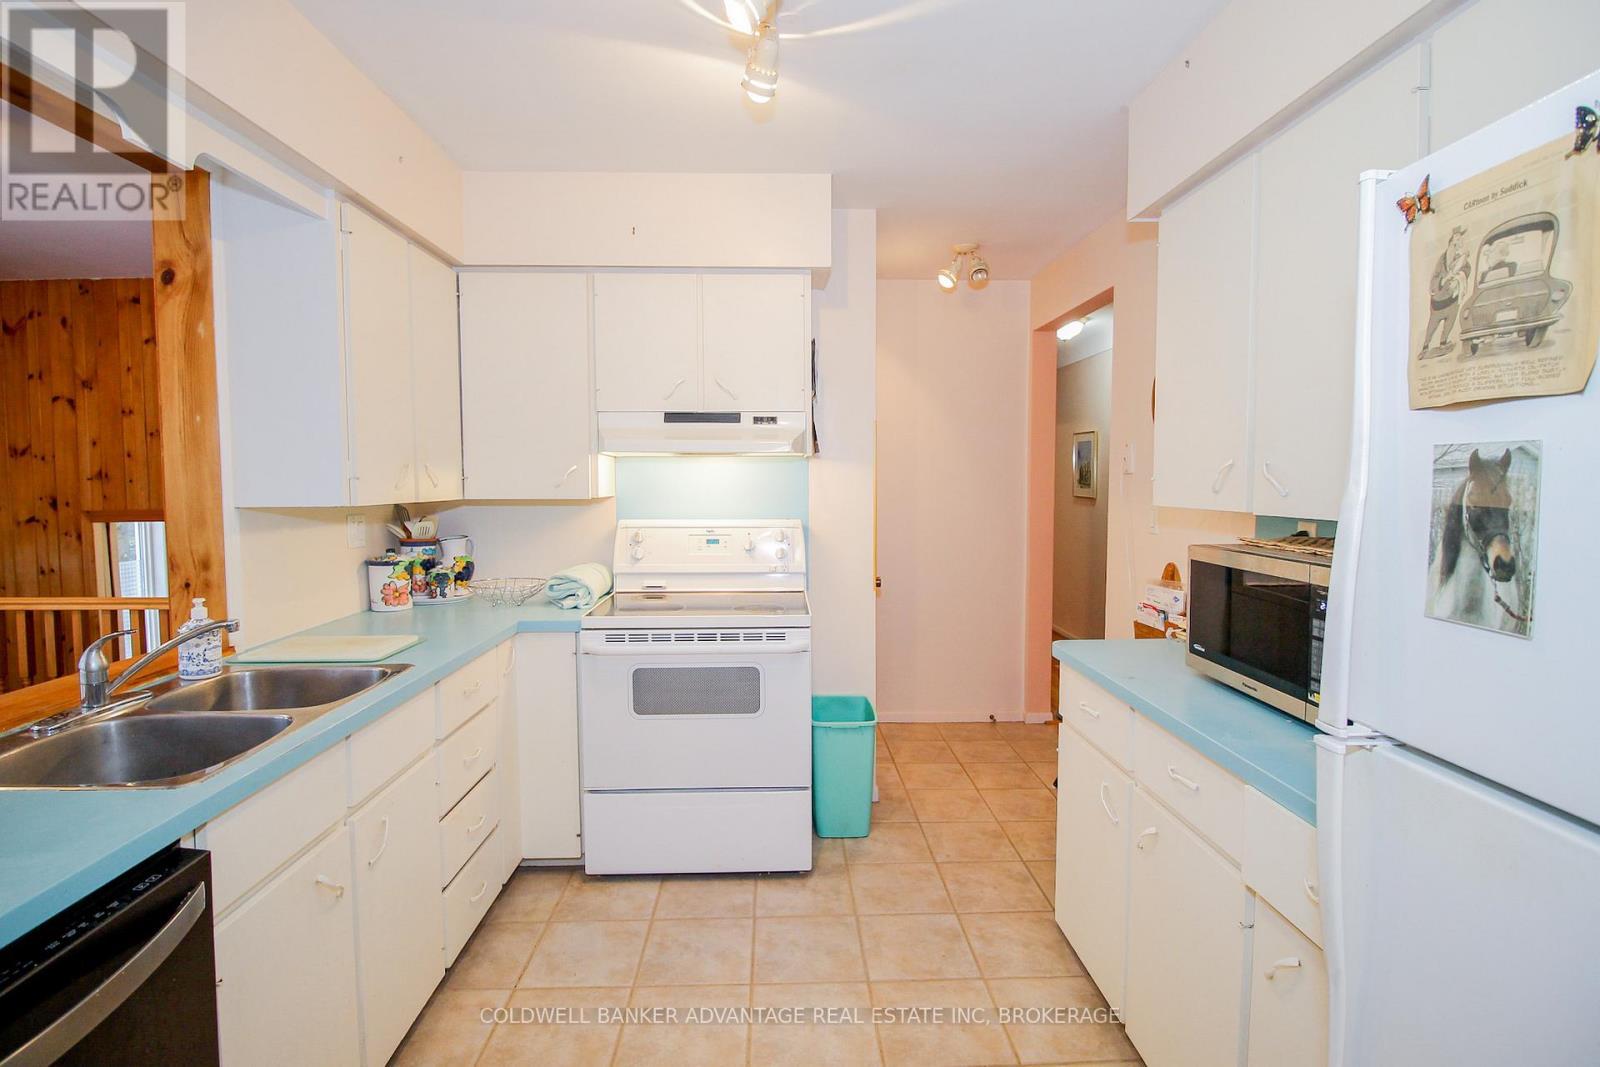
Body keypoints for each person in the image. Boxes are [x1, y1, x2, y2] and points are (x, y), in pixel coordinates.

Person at [1419, 226, 1472, 359]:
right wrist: (1443, 281)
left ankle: (1443, 341)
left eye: (1461, 240)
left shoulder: (1463, 259)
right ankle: (1426, 345)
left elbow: (1467, 269)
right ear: (1451, 243)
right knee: (1433, 323)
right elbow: (1435, 278)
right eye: (1456, 240)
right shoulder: (1442, 260)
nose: (1459, 243)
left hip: (1453, 299)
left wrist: (1460, 276)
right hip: (1439, 299)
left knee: (1450, 321)